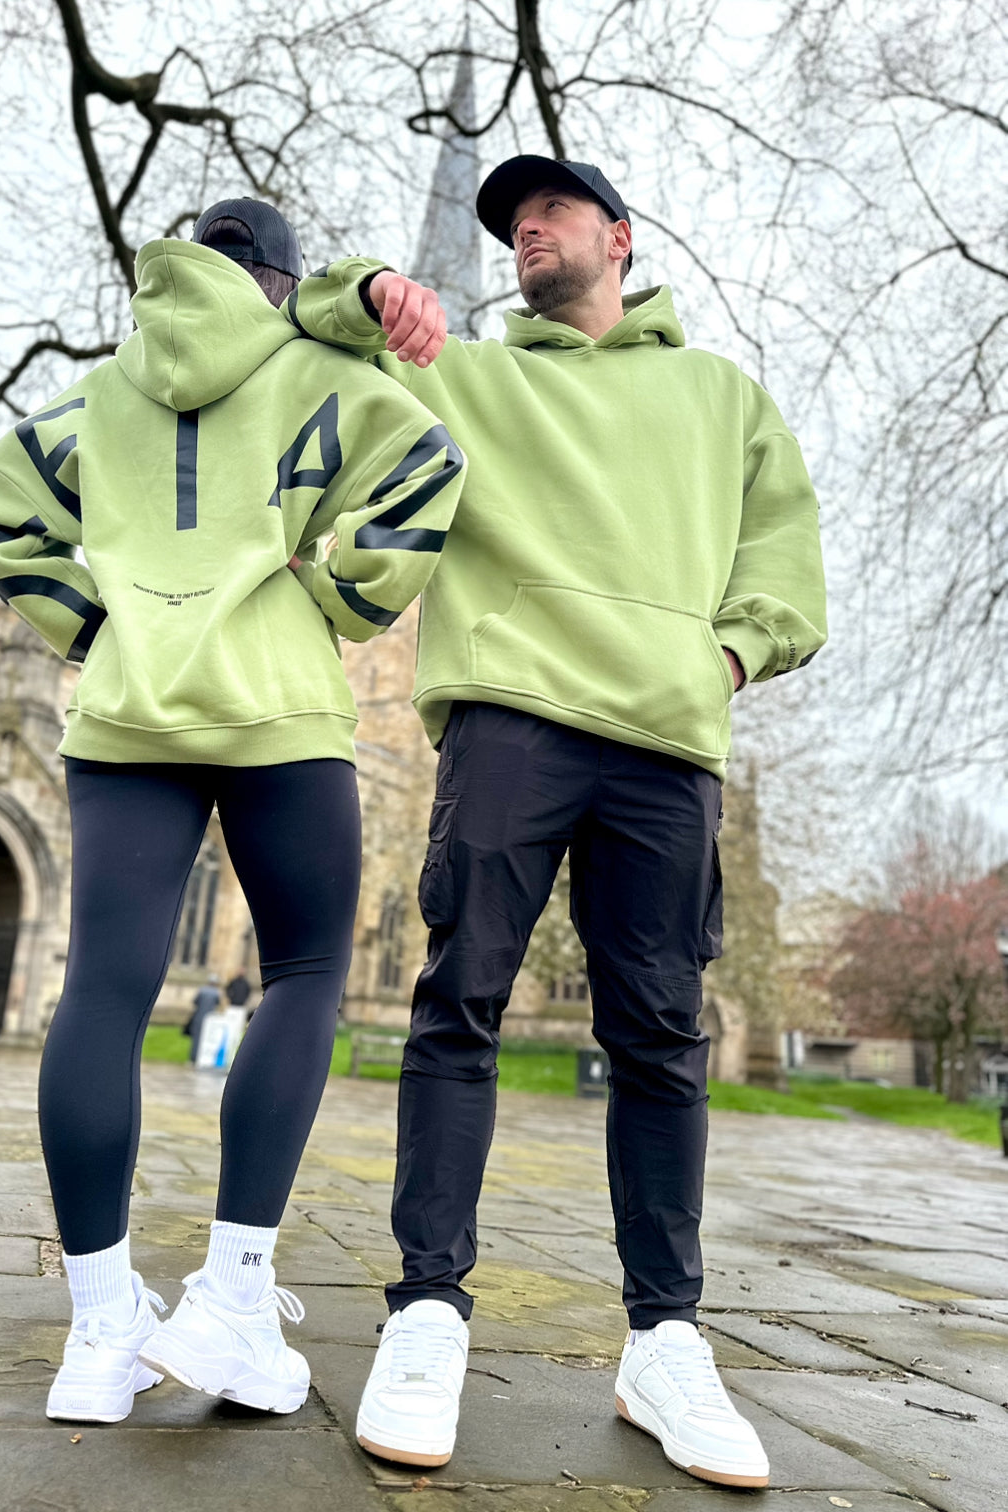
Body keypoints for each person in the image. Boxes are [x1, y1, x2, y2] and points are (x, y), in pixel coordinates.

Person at [287, 156, 827, 1486]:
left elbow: (782, 555)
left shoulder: (719, 398)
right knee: (454, 999)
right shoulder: (470, 374)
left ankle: (663, 1341)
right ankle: (425, 1309)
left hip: (661, 742)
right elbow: (311, 324)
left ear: (618, 238)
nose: (523, 225)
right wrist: (369, 285)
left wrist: (724, 661)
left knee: (657, 1033)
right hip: (511, 717)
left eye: (550, 208)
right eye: (507, 219)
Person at [0, 198, 463, 1426]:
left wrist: (100, 628)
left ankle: (97, 1332)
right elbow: (430, 463)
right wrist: (336, 605)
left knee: (102, 992)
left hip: (128, 721)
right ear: (280, 284)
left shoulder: (102, 394)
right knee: (303, 970)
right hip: (277, 710)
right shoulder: (313, 375)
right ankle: (232, 1300)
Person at [183, 973, 222, 1063]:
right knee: (205, 1039)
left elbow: (195, 1001)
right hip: (209, 1018)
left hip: (198, 1016)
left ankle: (193, 1058)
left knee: (196, 1039)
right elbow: (218, 1004)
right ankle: (203, 1059)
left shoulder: (202, 990)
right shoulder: (216, 992)